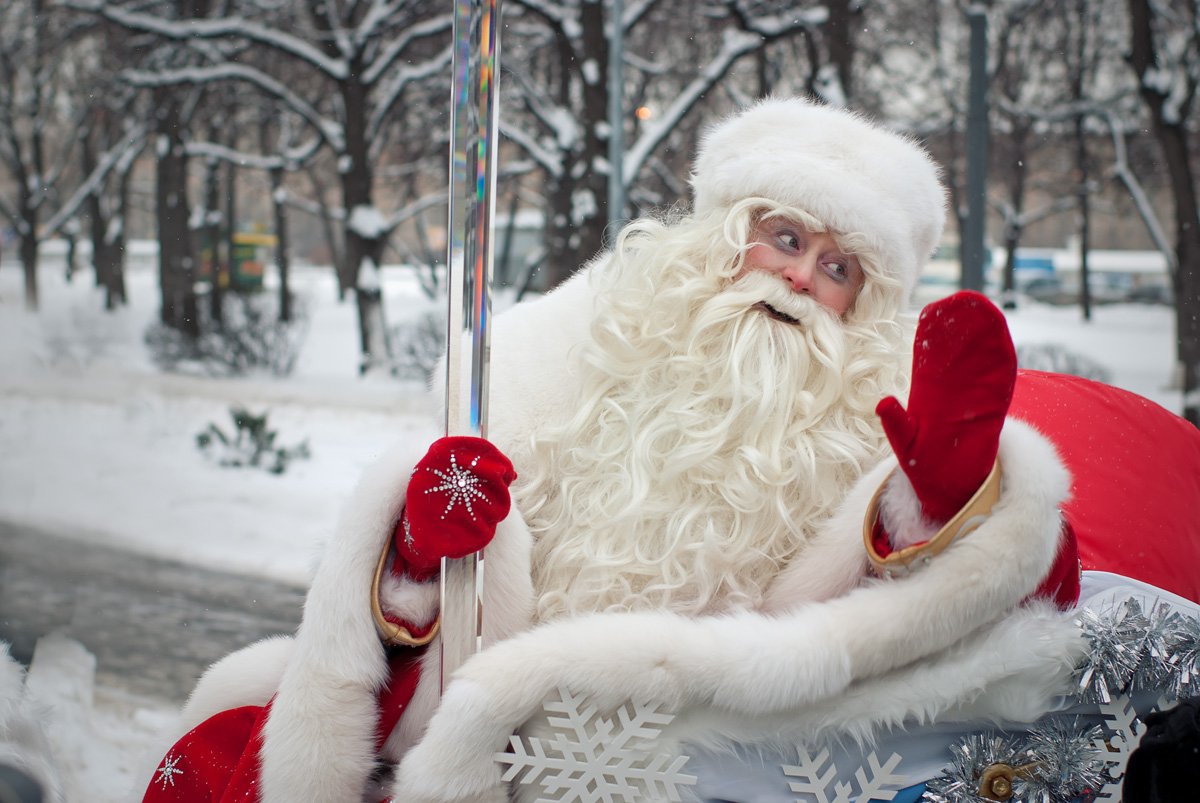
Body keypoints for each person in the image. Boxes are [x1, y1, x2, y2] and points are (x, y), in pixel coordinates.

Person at [142, 97, 1200, 803]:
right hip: (491, 729)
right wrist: (420, 560)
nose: (797, 279)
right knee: (234, 728)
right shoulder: (566, 357)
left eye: (837, 267)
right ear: (724, 234)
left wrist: (928, 513)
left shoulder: (865, 425)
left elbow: (922, 643)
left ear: (863, 300)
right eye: (783, 239)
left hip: (713, 757)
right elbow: (440, 625)